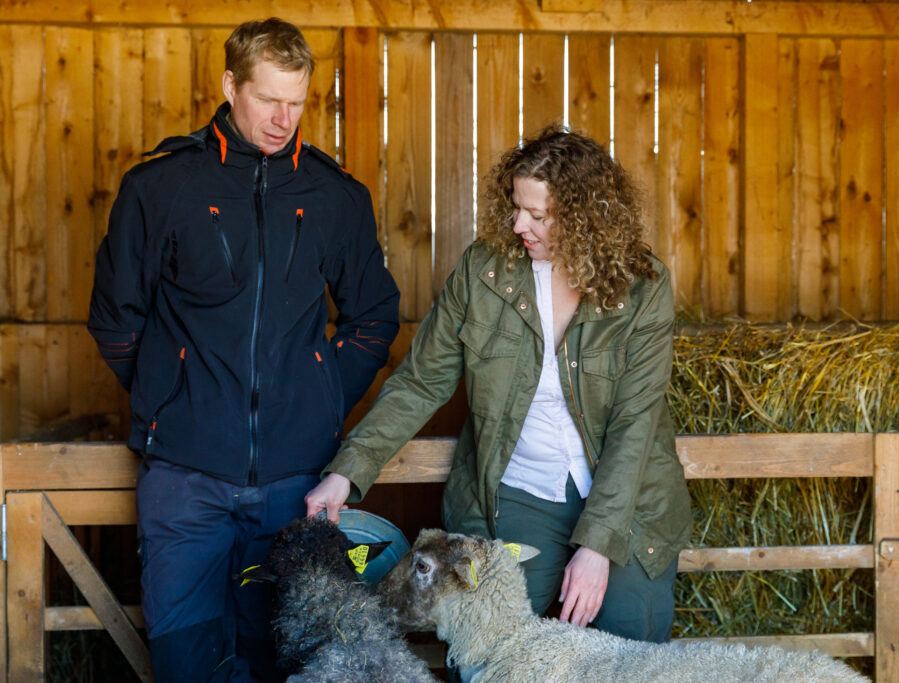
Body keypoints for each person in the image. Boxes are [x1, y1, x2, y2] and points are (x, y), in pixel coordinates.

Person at [88, 18, 399, 682]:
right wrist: (171, 400)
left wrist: (316, 398)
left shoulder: (334, 197)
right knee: (186, 661)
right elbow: (116, 321)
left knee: (282, 660)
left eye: (297, 101)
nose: (283, 118)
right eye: (268, 99)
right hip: (185, 481)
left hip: (295, 483)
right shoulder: (161, 188)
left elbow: (374, 318)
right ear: (231, 85)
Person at [305, 125, 692, 645]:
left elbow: (634, 422)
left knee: (630, 642)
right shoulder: (483, 274)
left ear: (585, 219)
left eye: (538, 215)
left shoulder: (643, 287)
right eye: (515, 207)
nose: (519, 225)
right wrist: (346, 473)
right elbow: (420, 382)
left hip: (628, 506)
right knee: (493, 646)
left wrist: (598, 545)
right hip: (515, 495)